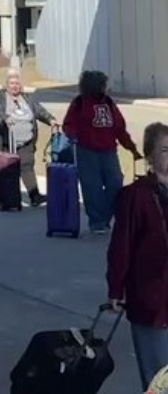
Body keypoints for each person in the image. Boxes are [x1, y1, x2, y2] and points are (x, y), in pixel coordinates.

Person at [107, 122, 168, 390]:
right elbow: (122, 245)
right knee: (158, 379)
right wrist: (116, 288)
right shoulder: (136, 196)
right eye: (165, 150)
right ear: (150, 157)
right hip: (152, 301)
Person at [63, 70, 142, 234]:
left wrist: (132, 148)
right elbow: (69, 124)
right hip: (87, 151)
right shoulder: (80, 103)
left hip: (109, 151)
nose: (107, 87)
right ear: (96, 86)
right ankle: (97, 222)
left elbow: (119, 128)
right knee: (92, 187)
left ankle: (104, 216)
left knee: (115, 182)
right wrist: (72, 136)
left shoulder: (109, 103)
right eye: (104, 84)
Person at [0, 70, 59, 207]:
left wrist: (51, 120)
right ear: (7, 85)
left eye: (17, 83)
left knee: (27, 167)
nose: (15, 86)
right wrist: (5, 119)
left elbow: (39, 111)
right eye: (12, 83)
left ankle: (34, 196)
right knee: (5, 171)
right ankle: (2, 199)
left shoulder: (26, 98)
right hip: (6, 142)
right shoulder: (0, 98)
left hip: (26, 142)